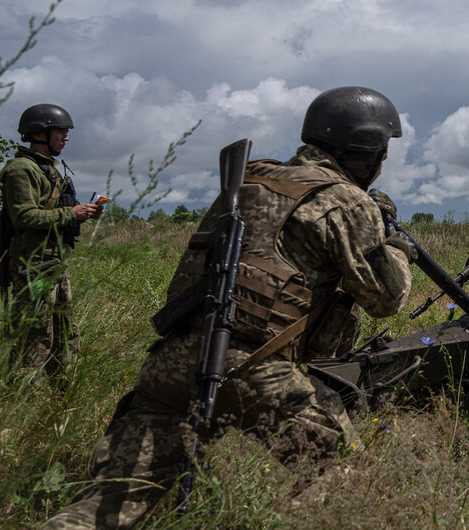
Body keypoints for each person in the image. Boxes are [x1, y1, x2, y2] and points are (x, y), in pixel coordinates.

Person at [44, 87, 416, 529]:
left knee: (104, 507)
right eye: (383, 153)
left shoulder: (248, 182)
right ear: (368, 151)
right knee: (345, 486)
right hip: (254, 369)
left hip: (170, 364)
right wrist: (397, 248)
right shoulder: (344, 199)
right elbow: (386, 299)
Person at [0, 103, 103, 379]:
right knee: (36, 338)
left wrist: (83, 213)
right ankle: (19, 406)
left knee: (66, 334)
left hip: (54, 263)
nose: (66, 138)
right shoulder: (22, 169)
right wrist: (72, 212)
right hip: (33, 267)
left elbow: (52, 212)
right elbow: (24, 217)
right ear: (40, 133)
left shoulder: (50, 169)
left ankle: (60, 398)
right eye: (61, 131)